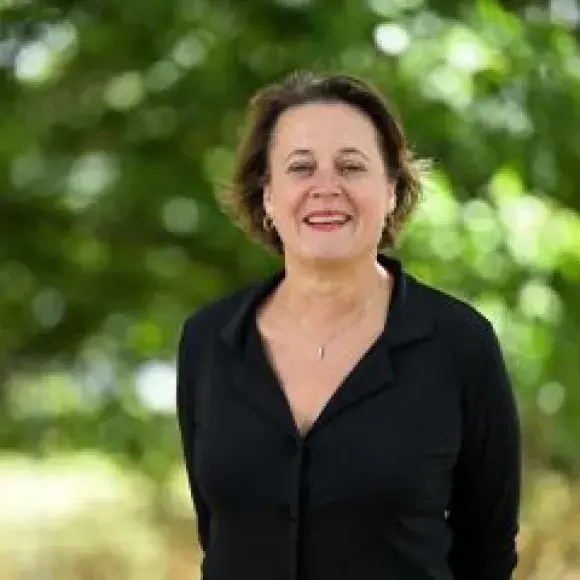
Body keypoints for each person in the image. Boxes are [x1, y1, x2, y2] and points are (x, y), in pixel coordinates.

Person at [176, 70, 521, 580]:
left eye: (351, 166)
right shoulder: (209, 341)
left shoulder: (461, 344)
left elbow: (487, 551)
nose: (325, 188)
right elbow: (217, 530)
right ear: (268, 195)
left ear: (391, 190)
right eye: (301, 167)